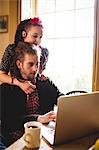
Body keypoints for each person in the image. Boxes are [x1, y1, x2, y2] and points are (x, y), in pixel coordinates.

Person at [1, 42, 62, 147]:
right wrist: (38, 118)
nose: (35, 69)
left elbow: (61, 98)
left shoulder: (45, 82)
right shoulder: (7, 89)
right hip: (16, 135)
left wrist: (70, 104)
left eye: (37, 64)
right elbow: (9, 121)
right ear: (19, 64)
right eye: (30, 64)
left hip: (44, 134)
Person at [0, 17, 49, 94]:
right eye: (35, 36)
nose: (38, 41)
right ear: (24, 34)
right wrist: (20, 83)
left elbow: (38, 73)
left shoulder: (44, 52)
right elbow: (1, 75)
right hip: (14, 91)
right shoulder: (11, 49)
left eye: (40, 37)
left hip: (34, 91)